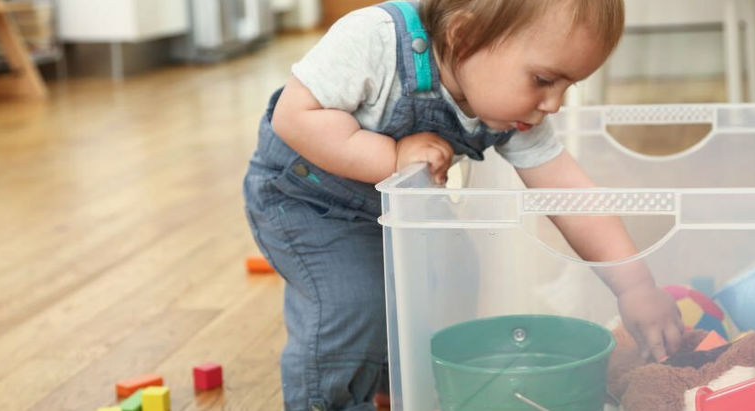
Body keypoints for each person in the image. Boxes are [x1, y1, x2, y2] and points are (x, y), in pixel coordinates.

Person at [243, 1, 683, 409]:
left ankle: (390, 381)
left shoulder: (514, 110)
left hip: (396, 211)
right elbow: (294, 116)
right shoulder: (373, 40)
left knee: (454, 273)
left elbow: (569, 193)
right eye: (544, 80)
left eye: (568, 85)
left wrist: (635, 286)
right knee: (352, 303)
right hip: (309, 203)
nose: (552, 104)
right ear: (464, 38)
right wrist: (391, 158)